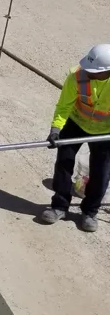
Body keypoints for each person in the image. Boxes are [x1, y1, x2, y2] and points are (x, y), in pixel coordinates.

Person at [37, 44, 110, 233]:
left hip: (105, 132)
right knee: (64, 163)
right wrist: (55, 130)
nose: (89, 72)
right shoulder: (77, 76)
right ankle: (59, 206)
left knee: (101, 172)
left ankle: (90, 212)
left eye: (94, 71)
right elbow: (64, 106)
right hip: (76, 123)